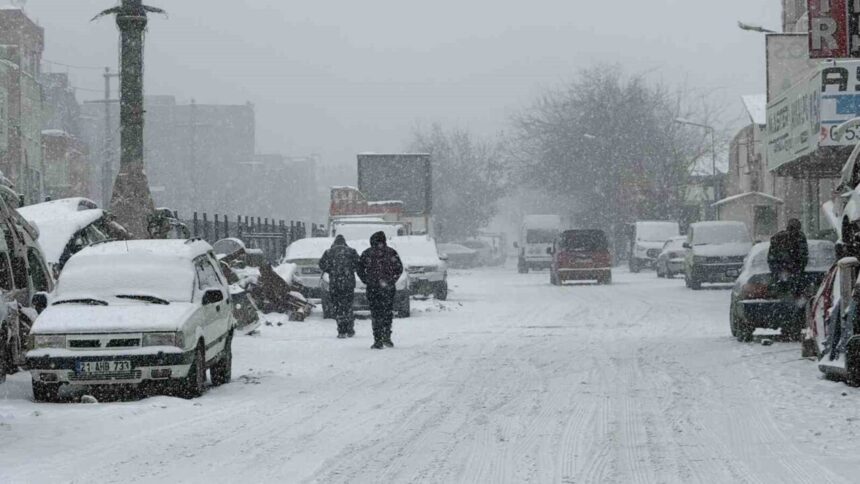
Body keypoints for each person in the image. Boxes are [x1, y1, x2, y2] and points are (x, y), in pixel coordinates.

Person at [357, 231, 404, 349]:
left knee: (376, 313)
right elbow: (399, 269)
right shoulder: (391, 253)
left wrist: (366, 280)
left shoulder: (367, 253)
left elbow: (359, 269)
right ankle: (386, 337)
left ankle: (377, 339)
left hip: (373, 288)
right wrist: (392, 280)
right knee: (387, 312)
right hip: (388, 288)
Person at [319, 235, 360, 338]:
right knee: (348, 306)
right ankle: (350, 329)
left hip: (335, 283)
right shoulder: (351, 251)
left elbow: (321, 264)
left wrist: (331, 271)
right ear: (344, 242)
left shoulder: (329, 252)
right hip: (348, 283)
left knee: (338, 307)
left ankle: (341, 330)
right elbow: (359, 264)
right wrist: (351, 270)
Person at [768, 218, 809, 298]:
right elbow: (804, 255)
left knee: (782, 293)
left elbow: (771, 257)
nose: (793, 232)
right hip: (789, 270)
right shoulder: (800, 237)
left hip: (785, 270)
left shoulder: (779, 237)